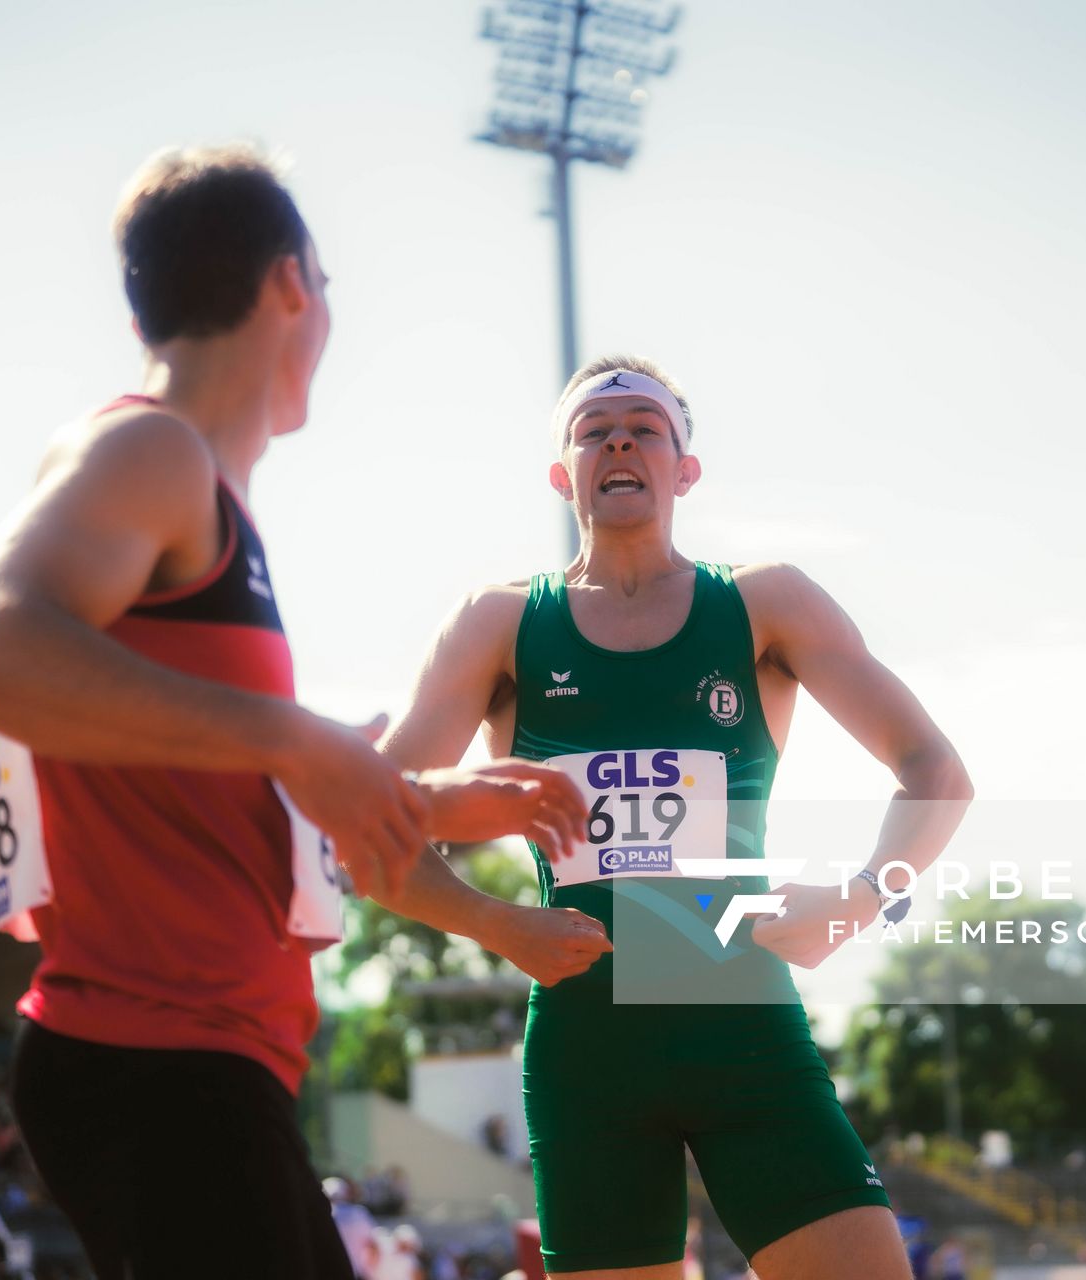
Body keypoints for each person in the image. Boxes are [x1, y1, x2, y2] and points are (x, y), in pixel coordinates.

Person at [0, 143, 585, 1279]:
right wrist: (292, 735)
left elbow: (201, 784)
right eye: (326, 287)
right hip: (156, 1053)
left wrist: (418, 799)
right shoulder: (149, 447)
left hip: (195, 1057)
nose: (326, 313)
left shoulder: (203, 499)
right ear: (290, 286)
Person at [374, 355, 973, 1278]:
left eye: (646, 427)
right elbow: (373, 821)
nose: (619, 440)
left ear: (685, 469)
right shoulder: (496, 625)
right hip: (588, 1043)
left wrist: (860, 899)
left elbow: (936, 771)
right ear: (560, 473)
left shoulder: (764, 601)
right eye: (593, 429)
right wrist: (492, 922)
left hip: (740, 1022)